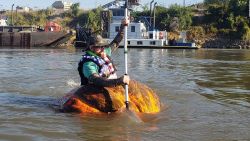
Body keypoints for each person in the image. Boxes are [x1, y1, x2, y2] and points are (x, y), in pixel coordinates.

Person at [78, 19, 130, 87]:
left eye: (103, 46)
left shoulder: (104, 52)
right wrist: (118, 81)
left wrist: (123, 26)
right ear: (91, 48)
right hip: (94, 90)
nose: (103, 48)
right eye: (99, 47)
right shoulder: (88, 63)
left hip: (111, 83)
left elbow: (116, 42)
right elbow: (96, 80)